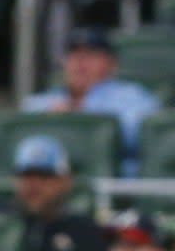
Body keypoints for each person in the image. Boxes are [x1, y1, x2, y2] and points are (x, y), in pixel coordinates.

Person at [21, 29, 160, 177]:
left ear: (111, 64)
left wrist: (80, 117)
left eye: (91, 54)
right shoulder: (39, 103)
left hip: (111, 185)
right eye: (74, 54)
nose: (81, 61)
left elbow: (144, 139)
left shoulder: (133, 97)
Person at [11, 135, 107, 251]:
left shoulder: (85, 232)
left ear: (66, 181)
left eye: (44, 176)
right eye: (27, 175)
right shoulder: (0, 226)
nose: (34, 184)